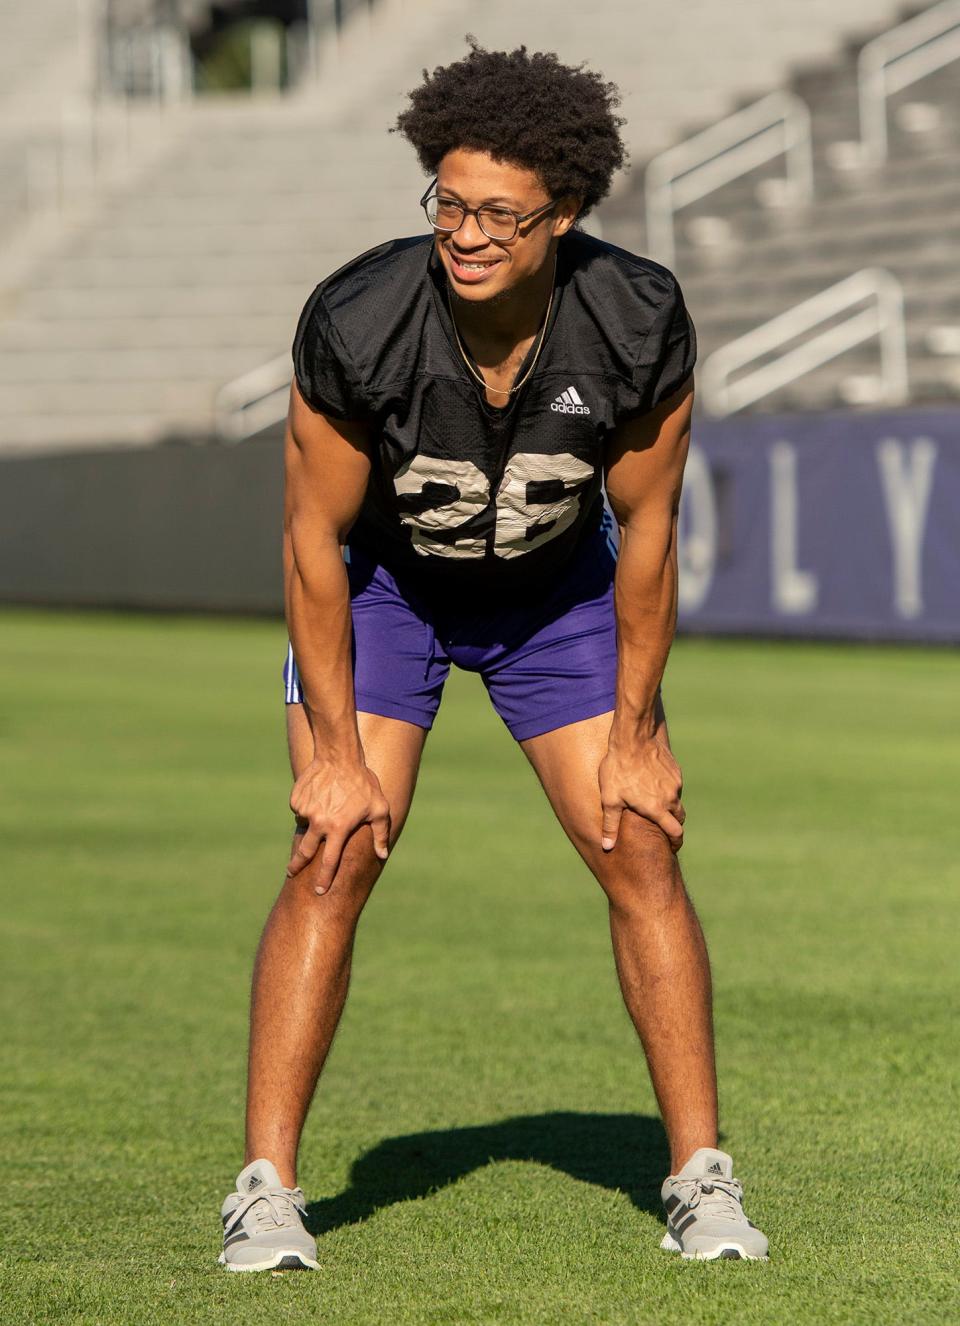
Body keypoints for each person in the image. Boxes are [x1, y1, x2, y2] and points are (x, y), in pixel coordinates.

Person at [218, 41, 769, 1270]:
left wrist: (639, 730)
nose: (465, 233)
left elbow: (652, 536)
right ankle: (266, 1190)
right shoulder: (359, 319)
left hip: (554, 597)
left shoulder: (634, 316)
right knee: (338, 844)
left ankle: (701, 1176)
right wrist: (333, 751)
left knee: (639, 839)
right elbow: (311, 543)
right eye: (448, 203)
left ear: (562, 215)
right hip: (386, 593)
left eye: (500, 215)